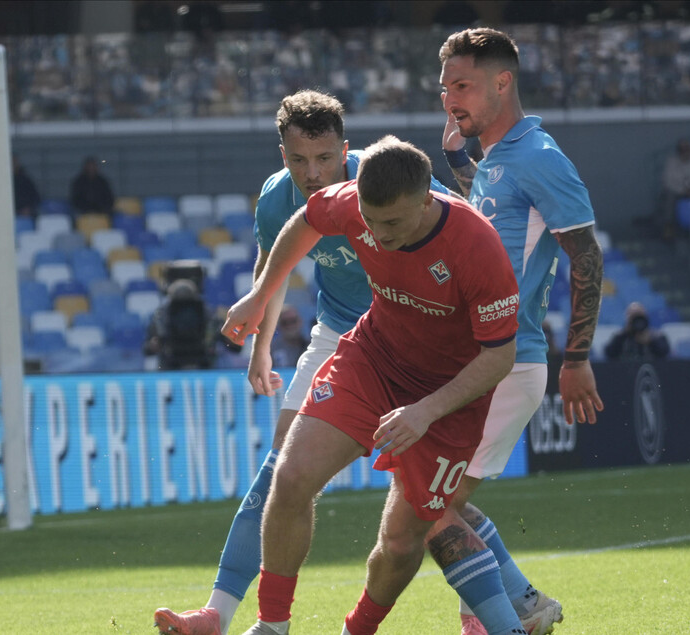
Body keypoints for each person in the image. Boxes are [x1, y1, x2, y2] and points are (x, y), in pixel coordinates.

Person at [154, 89, 454, 635]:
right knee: (281, 470)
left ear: (346, 149)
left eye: (324, 159)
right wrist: (261, 345)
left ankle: (510, 601)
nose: (312, 173)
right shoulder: (276, 200)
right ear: (282, 154)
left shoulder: (387, 179)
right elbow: (275, 267)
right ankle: (220, 614)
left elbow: (455, 235)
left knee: (429, 498)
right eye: (298, 160)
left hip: (415, 337)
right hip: (341, 332)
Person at [226, 136, 525, 635]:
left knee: (403, 542)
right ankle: (270, 626)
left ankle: (358, 629)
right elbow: (306, 221)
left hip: (450, 397)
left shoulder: (476, 244)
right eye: (370, 220)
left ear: (428, 200)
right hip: (373, 361)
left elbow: (500, 356)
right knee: (292, 475)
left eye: (393, 223)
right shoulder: (352, 203)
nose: (378, 234)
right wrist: (261, 295)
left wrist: (427, 410)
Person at [411, 27, 605, 635]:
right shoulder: (497, 159)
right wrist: (458, 167)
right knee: (439, 502)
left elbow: (587, 258)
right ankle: (517, 605)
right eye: (444, 88)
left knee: (430, 507)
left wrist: (576, 358)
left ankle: (506, 617)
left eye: (462, 86)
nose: (450, 100)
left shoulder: (541, 157)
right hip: (480, 363)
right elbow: (501, 226)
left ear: (503, 82)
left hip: (509, 362)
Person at [144, 278, 215, 370]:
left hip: (202, 362)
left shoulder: (205, 313)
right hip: (170, 363)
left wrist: (211, 340)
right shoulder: (162, 316)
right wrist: (153, 345)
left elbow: (233, 346)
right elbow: (146, 349)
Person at [657, 137, 690, 237]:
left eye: (687, 149)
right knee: (668, 197)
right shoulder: (671, 162)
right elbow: (667, 182)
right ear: (678, 151)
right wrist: (683, 190)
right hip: (679, 192)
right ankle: (669, 226)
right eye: (682, 149)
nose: (685, 151)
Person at [604, 302, 670, 361]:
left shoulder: (657, 335)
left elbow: (665, 353)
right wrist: (624, 334)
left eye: (639, 315)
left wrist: (651, 341)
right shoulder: (620, 336)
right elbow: (609, 353)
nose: (637, 321)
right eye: (633, 316)